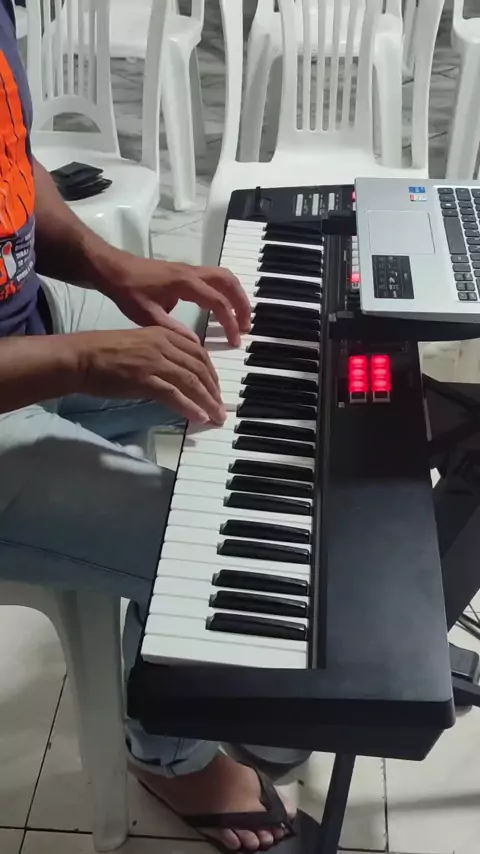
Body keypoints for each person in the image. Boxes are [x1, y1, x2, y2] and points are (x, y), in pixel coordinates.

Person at [0, 1, 302, 850]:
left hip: (31, 322)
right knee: (207, 547)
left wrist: (110, 265)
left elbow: (14, 162)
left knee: (266, 372)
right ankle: (168, 756)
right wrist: (85, 360)